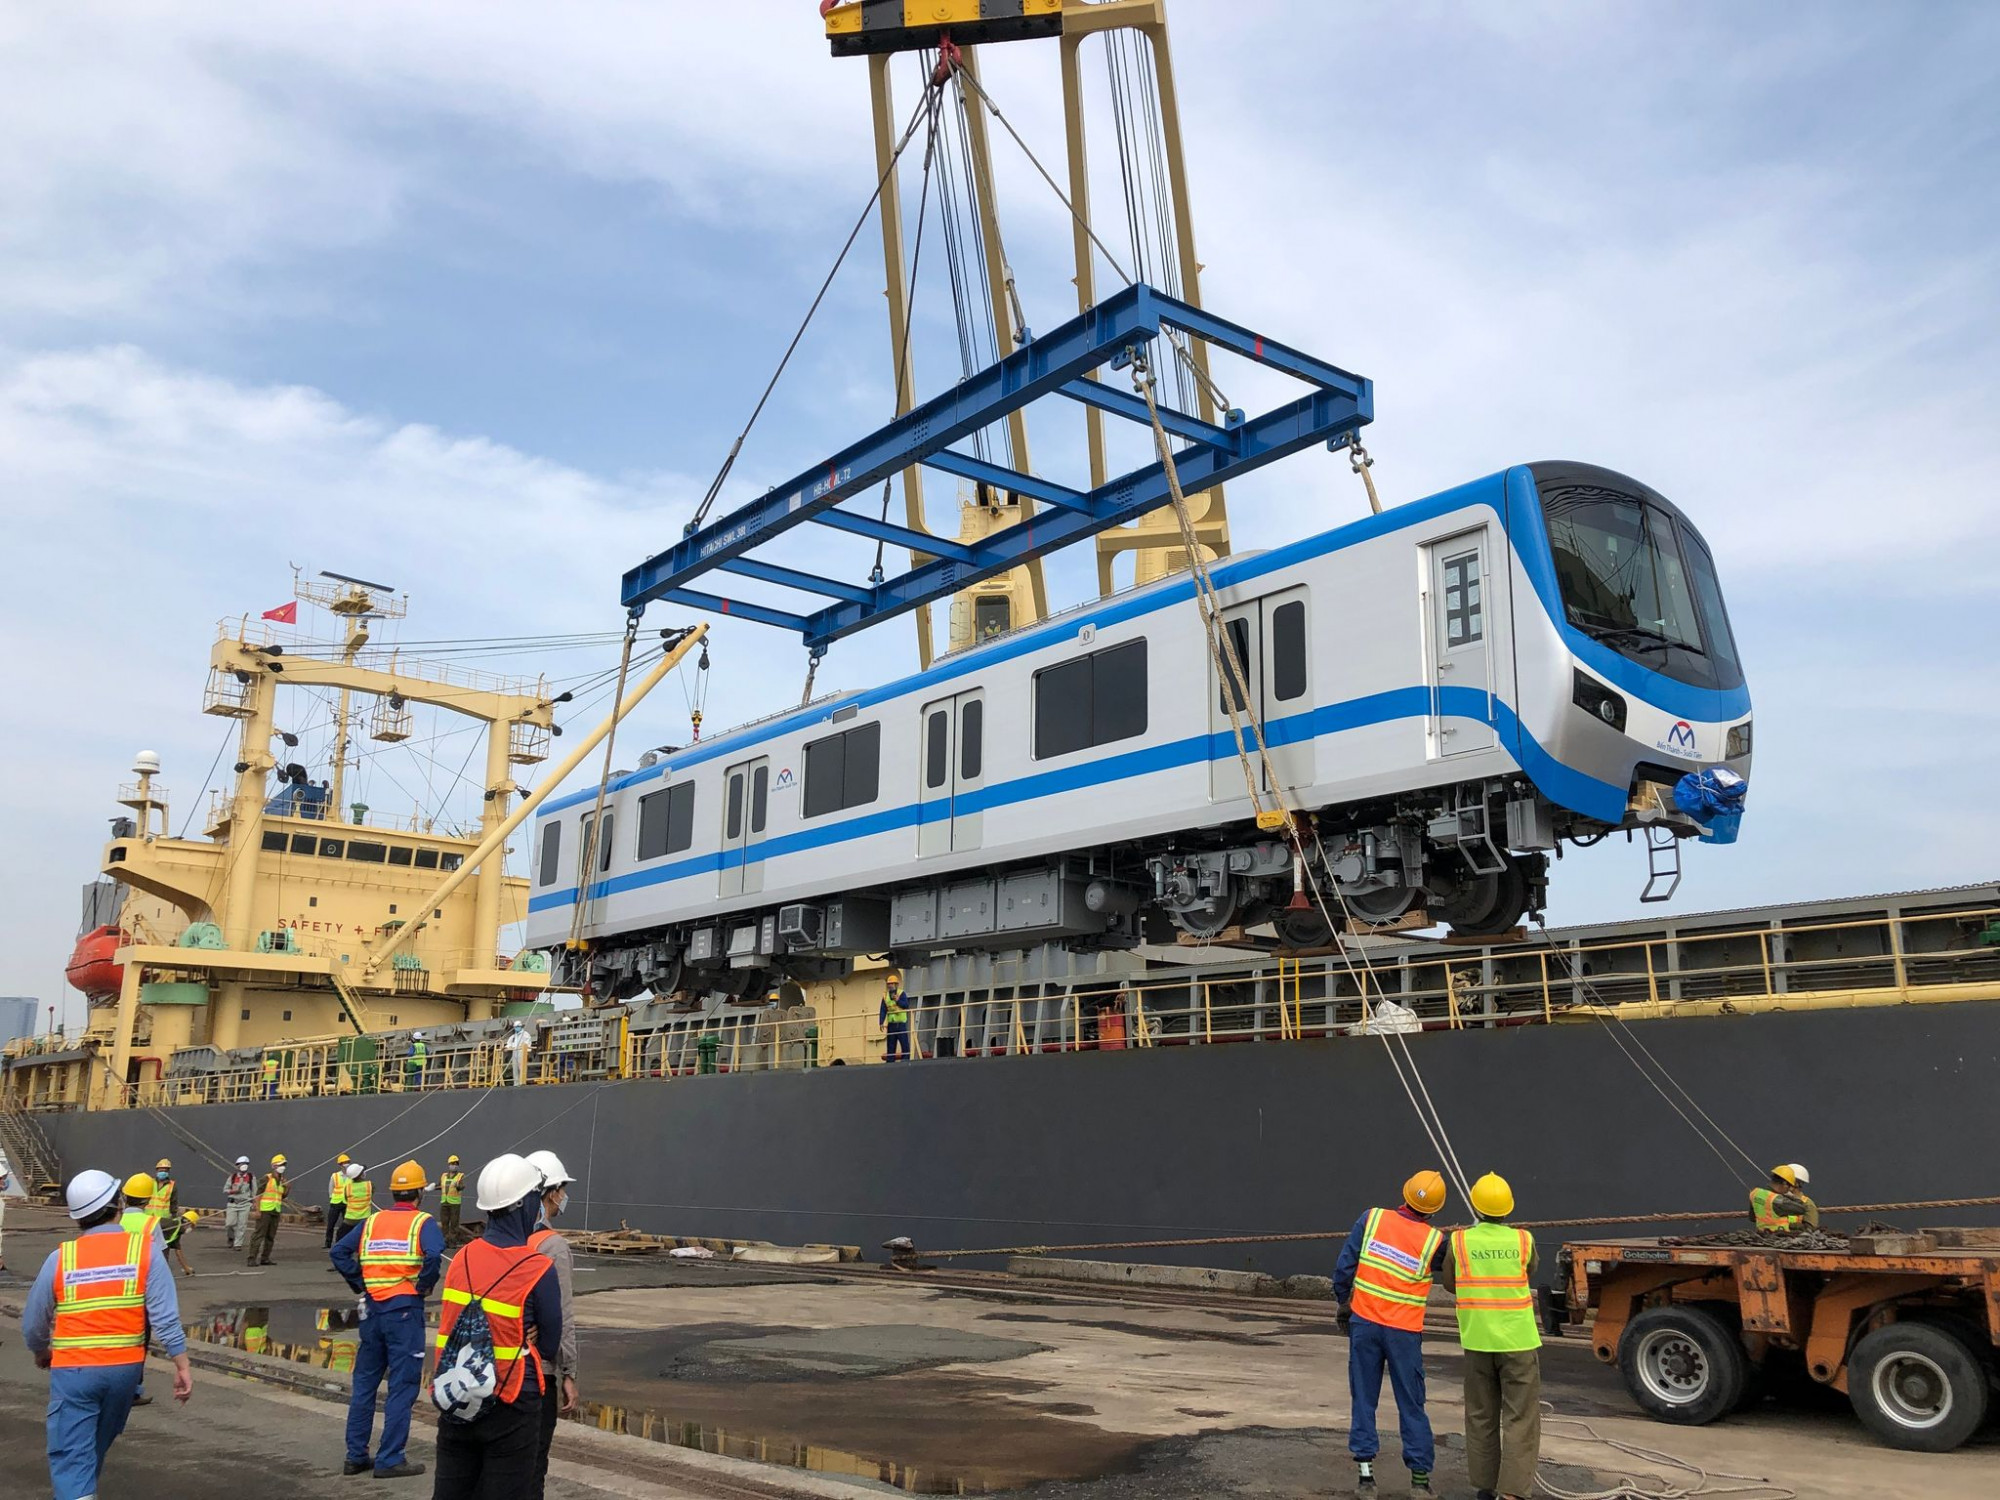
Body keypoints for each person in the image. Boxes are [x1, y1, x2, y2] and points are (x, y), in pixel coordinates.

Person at [23, 1169, 193, 1500]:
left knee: (72, 1455)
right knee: (93, 1447)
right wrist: (181, 1364)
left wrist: (41, 1351)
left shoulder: (61, 1258)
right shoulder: (144, 1252)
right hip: (125, 1372)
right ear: (118, 1205)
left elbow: (33, 1323)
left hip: (74, 1372)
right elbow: (165, 1317)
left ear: (77, 1218)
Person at [431, 1154, 562, 1498]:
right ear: (523, 1204)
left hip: (458, 1394)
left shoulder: (461, 1258)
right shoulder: (538, 1267)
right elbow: (549, 1346)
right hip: (512, 1399)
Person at [1332, 1170, 1450, 1493]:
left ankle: (1366, 1478)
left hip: (1365, 1324)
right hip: (1404, 1334)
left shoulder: (1371, 1219)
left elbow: (1344, 1268)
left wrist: (1344, 1302)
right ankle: (1420, 1483)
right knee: (1412, 1403)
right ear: (1435, 1210)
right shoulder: (1436, 1242)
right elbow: (1455, 1270)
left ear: (1405, 1192)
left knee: (1364, 1397)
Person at [332, 1158, 442, 1480]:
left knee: (365, 1383)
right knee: (402, 1385)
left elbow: (338, 1251)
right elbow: (434, 1255)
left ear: (394, 1192)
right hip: (404, 1312)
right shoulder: (423, 1223)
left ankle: (355, 1456)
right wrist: (423, 1285)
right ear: (420, 1192)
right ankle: (390, 1457)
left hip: (371, 1311)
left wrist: (360, 1283)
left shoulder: (371, 1222)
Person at [1442, 1173, 1542, 1500]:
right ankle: (1512, 1493)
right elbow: (1529, 1272)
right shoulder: (1523, 1241)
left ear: (1475, 1206)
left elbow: (1449, 1283)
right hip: (1518, 1341)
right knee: (1520, 1418)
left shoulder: (1459, 1241)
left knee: (1481, 1415)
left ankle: (1485, 1488)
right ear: (1508, 1209)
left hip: (1478, 1340)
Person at [524, 1150, 581, 1498]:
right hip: (537, 1372)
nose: (563, 1197)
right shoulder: (553, 1246)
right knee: (533, 1467)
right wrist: (570, 1372)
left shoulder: (499, 1242)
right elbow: (562, 1315)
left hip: (497, 1368)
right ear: (550, 1192)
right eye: (561, 1189)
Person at [246, 1153, 288, 1265]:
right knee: (259, 1234)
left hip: (275, 1210)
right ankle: (252, 1258)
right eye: (280, 1164)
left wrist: (287, 1187)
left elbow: (282, 1196)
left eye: (284, 1164)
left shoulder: (282, 1180)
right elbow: (258, 1195)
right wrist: (257, 1210)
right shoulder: (267, 1178)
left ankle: (265, 1258)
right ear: (274, 1166)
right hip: (265, 1211)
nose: (282, 1167)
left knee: (271, 1236)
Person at [1750, 1164, 1819, 1232]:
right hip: (1776, 1236)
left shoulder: (1807, 1203)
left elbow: (1810, 1228)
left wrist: (1790, 1226)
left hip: (1791, 1237)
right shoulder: (1775, 1198)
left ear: (1796, 1184)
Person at [224, 1155, 256, 1250]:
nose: (244, 1166)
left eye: (246, 1164)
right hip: (233, 1204)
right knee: (229, 1224)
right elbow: (225, 1189)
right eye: (241, 1164)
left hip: (245, 1204)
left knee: (242, 1225)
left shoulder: (251, 1177)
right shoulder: (232, 1177)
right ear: (237, 1166)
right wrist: (232, 1191)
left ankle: (238, 1244)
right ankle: (231, 1237)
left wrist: (254, 1203)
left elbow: (255, 1191)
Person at [879, 972, 910, 1062]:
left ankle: (905, 1060)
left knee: (904, 1044)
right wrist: (881, 1022)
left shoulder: (901, 993)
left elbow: (906, 1005)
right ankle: (890, 1061)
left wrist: (898, 1000)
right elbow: (883, 1009)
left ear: (896, 985)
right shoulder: (885, 996)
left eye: (892, 984)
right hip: (891, 1024)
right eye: (889, 984)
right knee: (891, 1045)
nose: (890, 986)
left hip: (901, 1024)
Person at [326, 1152, 353, 1250]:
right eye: (344, 1162)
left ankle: (345, 1243)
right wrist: (332, 1198)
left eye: (347, 1162)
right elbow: (331, 1188)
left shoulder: (352, 1176)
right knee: (331, 1224)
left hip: (347, 1203)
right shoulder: (335, 1176)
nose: (346, 1164)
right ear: (340, 1164)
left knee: (347, 1224)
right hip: (336, 1203)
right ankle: (328, 1242)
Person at [438, 1155, 466, 1244]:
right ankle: (445, 1240)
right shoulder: (444, 1176)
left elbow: (462, 1186)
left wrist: (458, 1186)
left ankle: (452, 1242)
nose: (454, 1165)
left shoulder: (460, 1176)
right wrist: (432, 1187)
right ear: (449, 1165)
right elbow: (440, 1185)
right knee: (444, 1223)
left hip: (454, 1203)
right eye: (452, 1164)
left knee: (454, 1223)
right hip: (444, 1202)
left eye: (456, 1164)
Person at [163, 1208, 199, 1277]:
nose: (190, 1229)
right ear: (188, 1223)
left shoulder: (176, 1229)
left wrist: (186, 1268)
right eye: (191, 1226)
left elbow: (178, 1252)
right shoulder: (173, 1225)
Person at [147, 1158, 177, 1225]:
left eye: (165, 1171)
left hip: (163, 1219)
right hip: (148, 1217)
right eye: (161, 1170)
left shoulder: (172, 1185)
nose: (163, 1172)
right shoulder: (150, 1182)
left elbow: (173, 1203)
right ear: (157, 1171)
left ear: (168, 1172)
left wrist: (174, 1218)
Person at [504, 1021, 533, 1086]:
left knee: (521, 1068)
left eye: (518, 1027)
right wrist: (506, 1048)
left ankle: (522, 1082)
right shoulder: (514, 1036)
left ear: (521, 1027)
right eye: (515, 1027)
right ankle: (516, 1083)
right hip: (514, 1052)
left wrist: (527, 1052)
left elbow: (528, 1043)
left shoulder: (525, 1035)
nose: (516, 1028)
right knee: (515, 1068)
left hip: (522, 1052)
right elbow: (509, 1044)